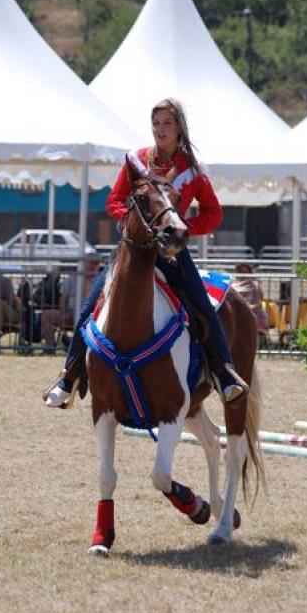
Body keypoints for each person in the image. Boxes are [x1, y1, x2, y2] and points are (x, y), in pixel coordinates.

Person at [44, 98, 245, 407]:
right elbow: (114, 200)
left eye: (166, 123)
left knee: (203, 305)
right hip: (133, 249)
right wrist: (129, 220)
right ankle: (68, 376)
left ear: (179, 127)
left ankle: (224, 373)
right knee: (91, 305)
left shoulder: (192, 170)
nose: (160, 130)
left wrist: (184, 226)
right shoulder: (137, 162)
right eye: (156, 124)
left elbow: (213, 214)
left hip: (171, 251)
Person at [40, 253, 102, 351]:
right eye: (90, 263)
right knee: (46, 315)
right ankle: (49, 347)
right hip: (71, 312)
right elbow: (63, 298)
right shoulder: (73, 278)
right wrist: (63, 312)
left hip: (94, 315)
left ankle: (85, 347)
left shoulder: (102, 280)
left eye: (96, 263)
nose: (92, 266)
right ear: (84, 263)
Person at [234, 263, 268, 331]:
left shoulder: (255, 286)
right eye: (240, 272)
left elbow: (258, 305)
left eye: (245, 272)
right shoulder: (234, 286)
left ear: (250, 273)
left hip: (254, 314)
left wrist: (246, 309)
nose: (243, 275)